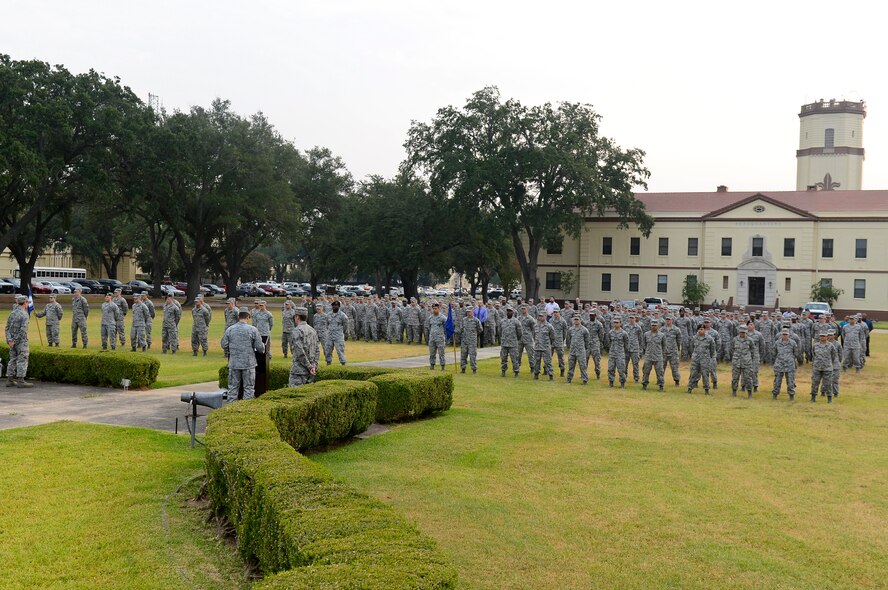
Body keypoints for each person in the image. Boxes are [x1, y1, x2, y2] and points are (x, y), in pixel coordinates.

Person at [221, 311, 266, 400]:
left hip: (234, 364)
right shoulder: (253, 330)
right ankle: (246, 410)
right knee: (249, 389)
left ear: (238, 317)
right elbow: (260, 348)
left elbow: (223, 344)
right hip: (248, 364)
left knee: (232, 389)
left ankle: (230, 410)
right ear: (248, 317)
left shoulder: (230, 329)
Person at [5, 295, 34, 388]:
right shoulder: (24, 314)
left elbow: (7, 328)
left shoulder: (12, 313)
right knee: (22, 359)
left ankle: (10, 380)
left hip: (12, 341)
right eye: (27, 302)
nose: (27, 304)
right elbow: (23, 330)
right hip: (21, 342)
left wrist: (9, 340)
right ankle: (21, 381)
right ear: (25, 303)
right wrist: (15, 341)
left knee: (12, 359)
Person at [288, 306, 320, 386]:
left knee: (294, 395)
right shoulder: (312, 330)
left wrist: (309, 367)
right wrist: (313, 366)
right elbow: (317, 350)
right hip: (311, 371)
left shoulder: (297, 330)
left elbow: (300, 352)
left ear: (297, 317)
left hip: (299, 371)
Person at [687, 324, 715, 395]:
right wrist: (693, 355)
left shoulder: (709, 339)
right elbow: (691, 347)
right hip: (695, 359)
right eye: (699, 329)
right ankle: (690, 388)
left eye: (702, 329)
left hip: (705, 359)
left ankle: (706, 389)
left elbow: (712, 349)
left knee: (705, 374)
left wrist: (709, 357)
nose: (701, 330)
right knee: (693, 373)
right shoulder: (694, 338)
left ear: (705, 330)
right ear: (697, 330)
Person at [811, 330, 838, 403]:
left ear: (826, 337)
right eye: (821, 336)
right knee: (815, 382)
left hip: (827, 368)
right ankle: (813, 397)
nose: (822, 337)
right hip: (817, 367)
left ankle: (829, 398)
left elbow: (833, 355)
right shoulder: (815, 345)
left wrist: (828, 363)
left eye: (824, 336)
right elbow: (813, 355)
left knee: (828, 383)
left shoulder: (830, 345)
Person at [772, 328, 798, 400]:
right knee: (777, 381)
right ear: (781, 335)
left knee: (790, 382)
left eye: (786, 334)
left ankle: (791, 396)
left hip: (789, 365)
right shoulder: (777, 343)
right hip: (779, 364)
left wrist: (789, 359)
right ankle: (775, 395)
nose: (785, 336)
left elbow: (796, 353)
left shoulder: (793, 343)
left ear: (789, 335)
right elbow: (774, 353)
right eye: (783, 334)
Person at [641, 319, 666, 391]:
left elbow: (664, 346)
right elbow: (644, 345)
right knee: (646, 372)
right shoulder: (646, 334)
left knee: (660, 372)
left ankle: (661, 386)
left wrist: (662, 355)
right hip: (648, 356)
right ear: (650, 326)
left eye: (655, 325)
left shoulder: (662, 335)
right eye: (652, 325)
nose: (654, 327)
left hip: (658, 357)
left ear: (658, 326)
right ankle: (644, 385)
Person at [730, 325, 755, 398]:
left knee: (748, 378)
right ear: (739, 332)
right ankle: (734, 392)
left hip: (746, 362)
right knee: (735, 378)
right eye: (741, 332)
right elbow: (732, 349)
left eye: (743, 332)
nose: (742, 334)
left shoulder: (750, 340)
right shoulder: (735, 339)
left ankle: (749, 393)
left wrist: (749, 358)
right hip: (736, 362)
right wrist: (735, 357)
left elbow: (753, 351)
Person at [566, 315, 590, 385]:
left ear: (580, 320)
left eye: (577, 319)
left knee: (582, 366)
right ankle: (569, 379)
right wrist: (570, 347)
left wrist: (583, 348)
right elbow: (568, 339)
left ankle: (585, 380)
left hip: (581, 351)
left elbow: (587, 341)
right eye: (575, 319)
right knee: (571, 365)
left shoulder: (584, 330)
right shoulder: (570, 329)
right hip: (572, 350)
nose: (576, 321)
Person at [532, 311, 556, 381]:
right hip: (537, 347)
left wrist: (548, 344)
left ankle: (550, 375)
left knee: (548, 362)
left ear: (545, 317)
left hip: (546, 347)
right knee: (536, 361)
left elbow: (553, 337)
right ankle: (536, 374)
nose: (540, 317)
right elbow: (534, 335)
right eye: (539, 316)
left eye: (542, 316)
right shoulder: (536, 326)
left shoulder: (549, 326)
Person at [499, 306, 522, 377]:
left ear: (513, 312)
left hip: (513, 344)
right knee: (503, 359)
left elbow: (519, 333)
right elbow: (500, 332)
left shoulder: (516, 322)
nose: (509, 312)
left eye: (510, 311)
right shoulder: (502, 321)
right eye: (508, 311)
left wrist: (515, 340)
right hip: (504, 343)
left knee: (514, 359)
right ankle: (503, 371)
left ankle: (516, 372)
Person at [607, 318, 630, 388]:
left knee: (621, 369)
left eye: (617, 323)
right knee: (611, 369)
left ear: (620, 323)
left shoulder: (624, 333)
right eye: (615, 323)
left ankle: (622, 383)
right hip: (612, 353)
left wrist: (624, 352)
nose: (616, 324)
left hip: (620, 354)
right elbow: (609, 342)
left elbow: (626, 344)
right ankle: (611, 382)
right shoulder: (611, 332)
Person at [460, 306, 483, 374]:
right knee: (463, 355)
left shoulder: (476, 320)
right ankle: (463, 368)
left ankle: (474, 369)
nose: (468, 313)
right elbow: (461, 329)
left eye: (469, 312)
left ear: (472, 312)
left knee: (472, 356)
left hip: (472, 341)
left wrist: (474, 335)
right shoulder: (464, 320)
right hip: (464, 341)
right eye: (467, 312)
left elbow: (480, 329)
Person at [661, 316, 682, 386]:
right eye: (666, 319)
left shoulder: (676, 329)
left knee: (674, 367)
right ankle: (660, 380)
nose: (668, 321)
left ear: (672, 320)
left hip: (673, 352)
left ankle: (677, 381)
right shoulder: (662, 329)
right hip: (664, 352)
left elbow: (679, 340)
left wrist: (678, 348)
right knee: (661, 367)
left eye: (669, 320)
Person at [326, 300, 348, 365]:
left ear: (339, 306)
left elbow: (345, 325)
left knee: (340, 350)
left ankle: (343, 363)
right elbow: (326, 324)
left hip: (338, 336)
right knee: (328, 350)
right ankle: (328, 362)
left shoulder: (342, 315)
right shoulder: (328, 315)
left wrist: (343, 332)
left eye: (337, 305)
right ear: (332, 306)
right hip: (330, 336)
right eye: (334, 305)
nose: (335, 307)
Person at [427, 302, 447, 370]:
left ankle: (442, 366)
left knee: (441, 353)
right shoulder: (430, 318)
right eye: (433, 308)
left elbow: (446, 328)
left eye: (436, 308)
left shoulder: (443, 318)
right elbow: (429, 327)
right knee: (432, 353)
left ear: (439, 308)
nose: (434, 310)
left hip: (440, 338)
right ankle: (432, 365)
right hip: (432, 338)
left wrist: (442, 335)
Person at [517, 305, 536, 374]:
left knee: (531, 354)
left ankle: (532, 368)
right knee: (518, 354)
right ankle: (517, 368)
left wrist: (533, 338)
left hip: (528, 339)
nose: (522, 310)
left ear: (527, 309)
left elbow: (534, 329)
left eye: (524, 309)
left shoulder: (530, 319)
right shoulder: (518, 318)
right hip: (520, 339)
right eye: (522, 309)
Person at [550, 309, 568, 377]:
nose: (555, 313)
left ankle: (562, 370)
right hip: (551, 341)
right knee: (548, 356)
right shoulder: (551, 320)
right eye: (554, 312)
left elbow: (564, 332)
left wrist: (562, 339)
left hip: (559, 341)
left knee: (560, 357)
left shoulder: (563, 321)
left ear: (559, 313)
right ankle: (546, 369)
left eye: (556, 312)